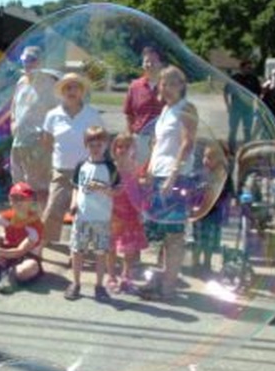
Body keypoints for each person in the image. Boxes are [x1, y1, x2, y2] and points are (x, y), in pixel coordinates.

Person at [139, 66, 198, 302]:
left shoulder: (186, 109)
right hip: (159, 176)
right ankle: (161, 280)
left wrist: (174, 174)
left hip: (177, 176)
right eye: (164, 83)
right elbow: (157, 145)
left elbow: (188, 143)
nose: (167, 87)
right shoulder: (165, 110)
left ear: (182, 86)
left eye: (173, 83)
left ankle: (169, 287)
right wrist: (150, 171)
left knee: (174, 234)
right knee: (160, 232)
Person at [39, 72, 105, 246]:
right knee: (53, 208)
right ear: (62, 91)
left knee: (85, 211)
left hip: (86, 171)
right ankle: (44, 245)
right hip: (61, 170)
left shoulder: (92, 114)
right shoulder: (53, 115)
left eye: (75, 87)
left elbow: (101, 140)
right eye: (67, 87)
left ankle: (81, 249)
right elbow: (47, 142)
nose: (71, 91)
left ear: (82, 91)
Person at [65, 126, 120, 301]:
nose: (95, 149)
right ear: (86, 145)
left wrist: (102, 188)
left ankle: (98, 285)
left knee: (100, 252)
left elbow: (117, 192)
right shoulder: (81, 165)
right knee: (77, 250)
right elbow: (76, 187)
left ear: (105, 145)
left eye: (99, 145)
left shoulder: (111, 167)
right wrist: (73, 204)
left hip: (101, 218)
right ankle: (76, 283)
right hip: (82, 216)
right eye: (92, 145)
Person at [0, 181, 45, 295]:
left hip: (26, 256)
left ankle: (8, 274)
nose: (18, 202)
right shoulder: (8, 215)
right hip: (5, 251)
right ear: (10, 201)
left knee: (30, 268)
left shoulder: (36, 224)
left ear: (30, 201)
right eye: (14, 198)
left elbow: (19, 252)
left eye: (22, 198)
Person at [9, 45, 57, 208]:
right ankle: (23, 216)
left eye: (32, 60)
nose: (28, 64)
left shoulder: (49, 83)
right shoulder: (21, 82)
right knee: (19, 180)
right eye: (25, 60)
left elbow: (56, 111)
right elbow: (14, 105)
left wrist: (47, 134)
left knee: (38, 184)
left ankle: (40, 219)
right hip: (19, 139)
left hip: (38, 140)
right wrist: (13, 122)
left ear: (40, 62)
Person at [107, 132, 147, 294]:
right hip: (113, 213)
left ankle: (126, 276)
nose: (122, 150)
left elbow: (140, 191)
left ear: (133, 149)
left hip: (130, 212)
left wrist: (141, 209)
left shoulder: (136, 168)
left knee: (129, 248)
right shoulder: (110, 168)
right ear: (114, 149)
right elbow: (106, 190)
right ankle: (111, 277)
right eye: (119, 146)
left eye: (126, 147)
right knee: (111, 246)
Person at [191, 142, 232, 276]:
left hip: (213, 214)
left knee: (209, 242)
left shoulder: (221, 176)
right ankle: (195, 264)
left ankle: (206, 264)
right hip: (200, 212)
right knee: (198, 240)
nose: (205, 160)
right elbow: (193, 188)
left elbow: (226, 194)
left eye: (210, 157)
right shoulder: (201, 174)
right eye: (205, 156)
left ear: (220, 160)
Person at [123, 45, 165, 164]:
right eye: (146, 61)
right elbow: (129, 115)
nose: (149, 65)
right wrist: (130, 138)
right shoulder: (134, 86)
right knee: (139, 175)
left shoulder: (168, 86)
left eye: (154, 61)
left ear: (161, 64)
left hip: (162, 140)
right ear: (142, 64)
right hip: (140, 140)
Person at [224, 59, 261, 151]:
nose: (249, 69)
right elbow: (225, 92)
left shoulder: (253, 78)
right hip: (236, 106)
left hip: (248, 107)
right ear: (242, 68)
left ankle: (247, 149)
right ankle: (231, 148)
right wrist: (228, 105)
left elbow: (258, 94)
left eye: (250, 68)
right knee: (233, 129)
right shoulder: (235, 78)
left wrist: (258, 107)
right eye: (248, 67)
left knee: (247, 129)